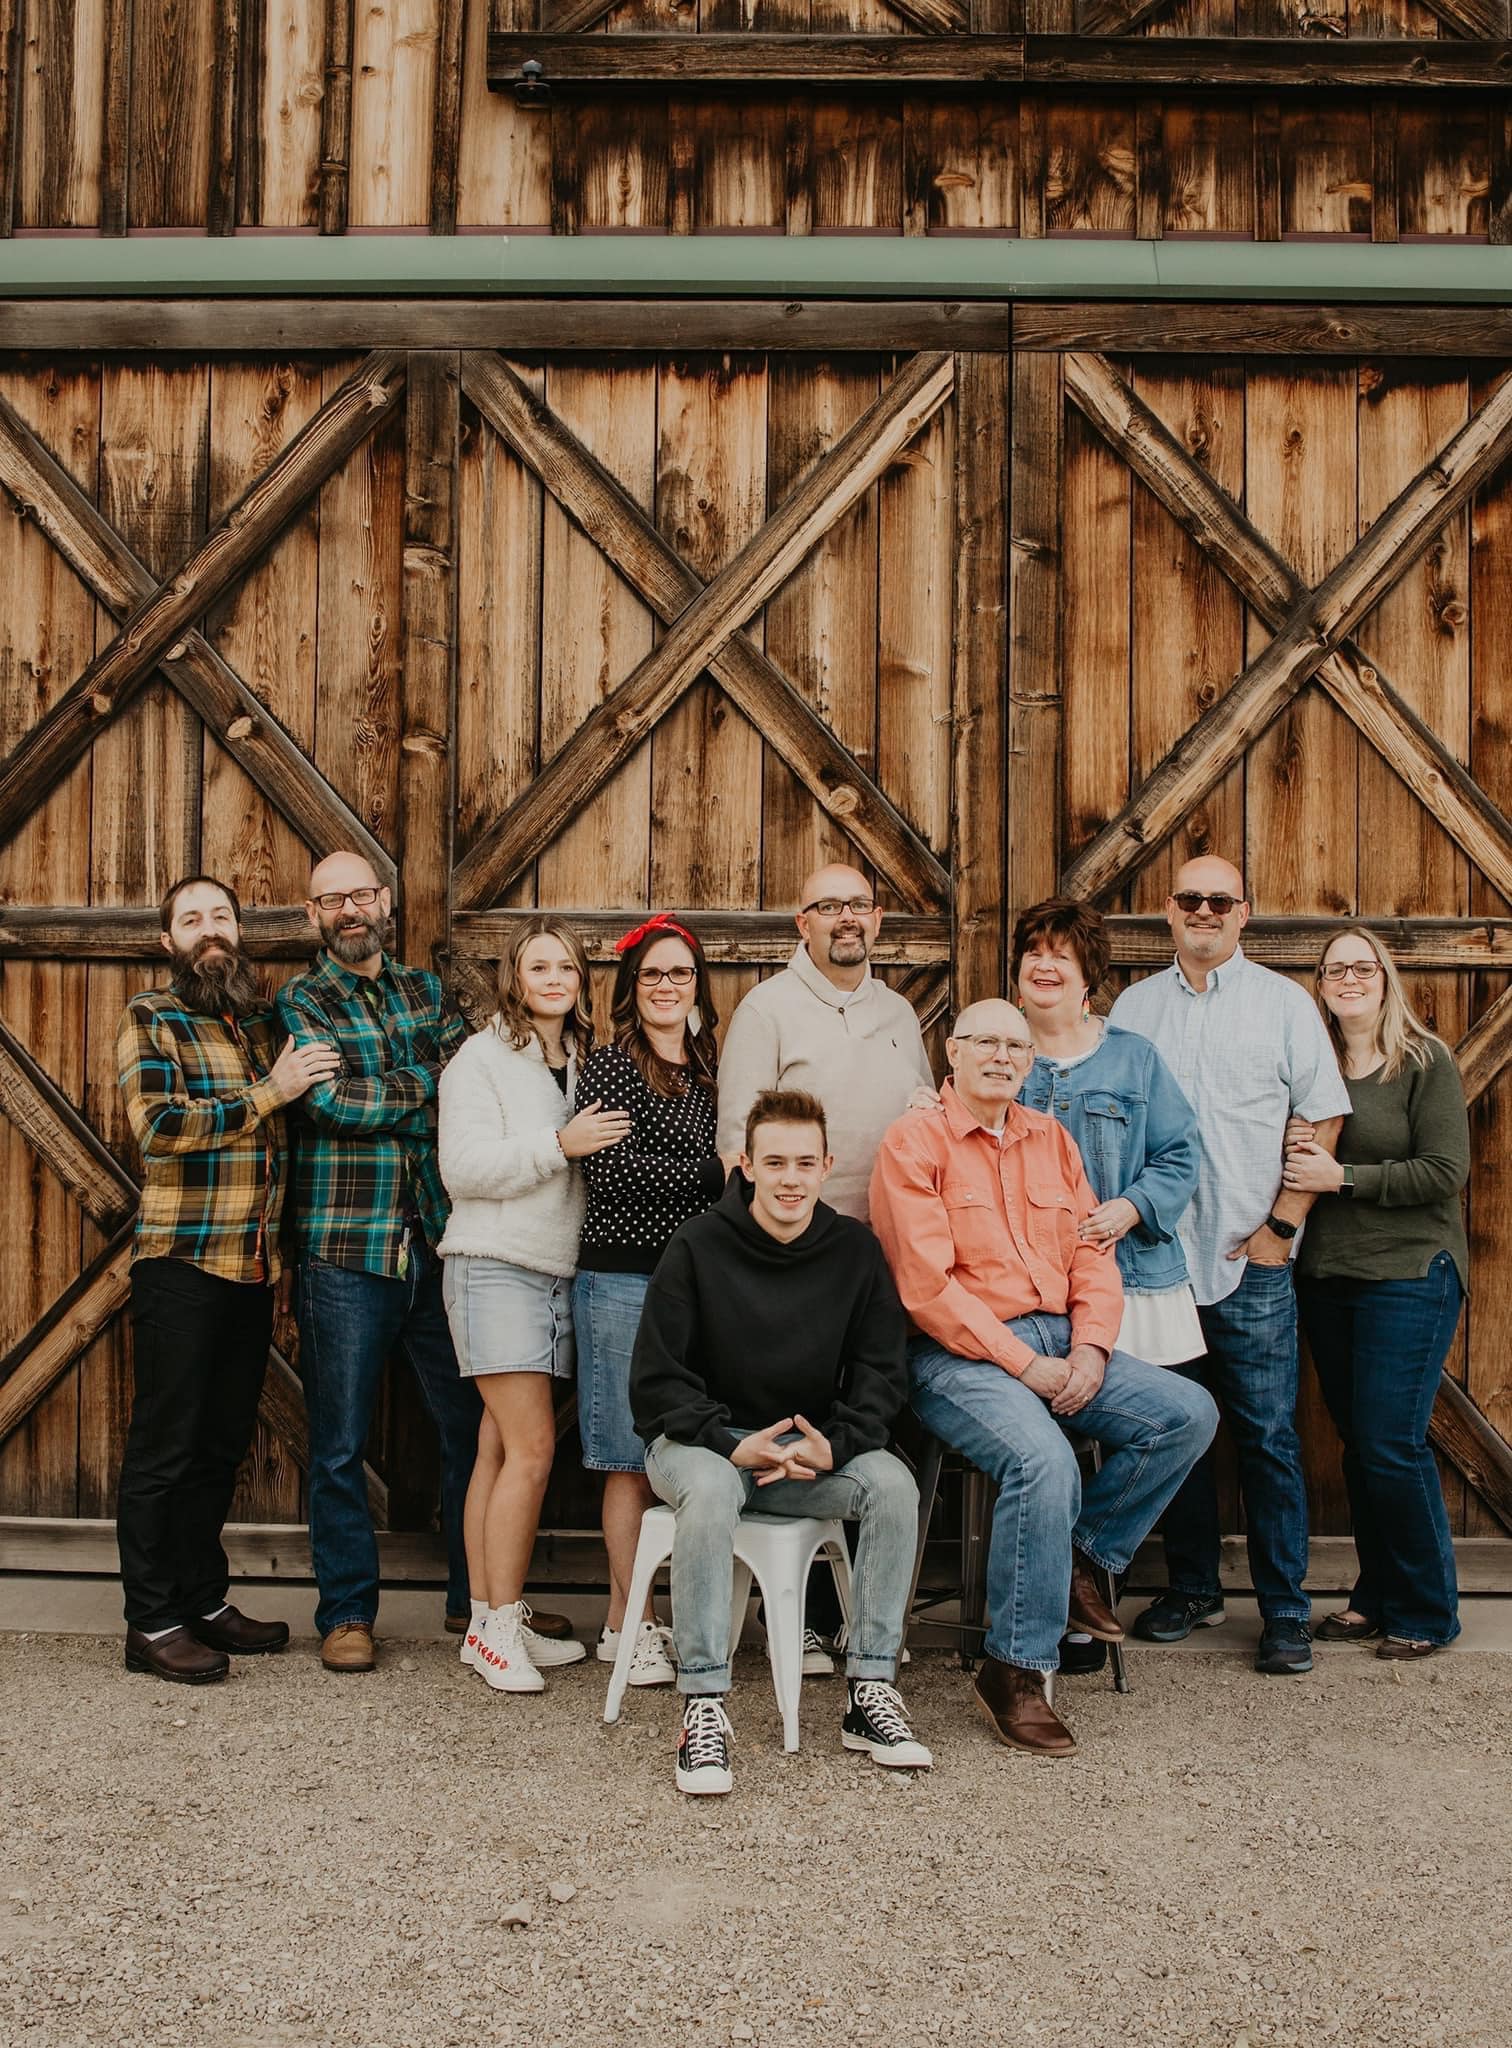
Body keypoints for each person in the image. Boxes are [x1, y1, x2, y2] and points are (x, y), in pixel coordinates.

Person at [870, 1000, 1216, 1756]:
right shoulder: (914, 1141)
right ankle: (1016, 1669)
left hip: (1060, 1338)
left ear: (1030, 1062)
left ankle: (1080, 1558)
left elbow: (1093, 1254)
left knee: (1187, 1413)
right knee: (1043, 1460)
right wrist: (1026, 1365)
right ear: (953, 1052)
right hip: (956, 1355)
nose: (1002, 1056)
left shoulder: (1051, 1139)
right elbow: (927, 1289)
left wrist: (1091, 1349)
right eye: (986, 1041)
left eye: (1016, 1046)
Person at [632, 1089, 929, 1794]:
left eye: (804, 1163)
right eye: (774, 1163)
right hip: (703, 1447)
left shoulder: (854, 1251)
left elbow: (883, 1373)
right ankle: (703, 1707)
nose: (790, 1178)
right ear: (747, 1165)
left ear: (827, 1165)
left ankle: (871, 1689)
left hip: (806, 1453)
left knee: (893, 1485)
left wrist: (837, 1444)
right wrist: (727, 1443)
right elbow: (657, 1380)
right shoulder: (697, 1244)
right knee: (710, 1491)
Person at [1109, 856, 1351, 1676]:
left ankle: (1284, 1611)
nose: (1205, 910)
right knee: (1178, 1431)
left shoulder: (1282, 1004)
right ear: (1169, 910)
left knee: (1269, 1438)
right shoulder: (1134, 1009)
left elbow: (1323, 1115)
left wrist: (1283, 1226)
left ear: (1244, 914)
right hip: (1158, 1264)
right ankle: (1192, 1589)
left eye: (1221, 900)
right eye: (1191, 899)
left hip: (1254, 1259)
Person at [115, 874, 341, 1684]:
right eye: (192, 919)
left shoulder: (255, 1024)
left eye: (221, 916)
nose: (209, 929)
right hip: (181, 1265)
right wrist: (272, 1091)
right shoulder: (152, 1017)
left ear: (238, 933)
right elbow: (160, 1128)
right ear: (168, 941)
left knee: (218, 1448)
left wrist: (279, 1263)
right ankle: (151, 1621)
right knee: (165, 1448)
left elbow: (277, 1159)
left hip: (250, 1272)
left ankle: (202, 1600)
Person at [715, 860, 935, 1671]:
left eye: (859, 905)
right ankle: (800, 1614)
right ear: (800, 923)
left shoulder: (899, 1012)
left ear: (876, 921)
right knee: (797, 1417)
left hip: (883, 1259)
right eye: (828, 905)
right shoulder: (767, 1009)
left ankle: (859, 1616)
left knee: (868, 1423)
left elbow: (923, 1123)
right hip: (797, 1256)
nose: (847, 917)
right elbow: (737, 1144)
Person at [277, 851, 483, 1674]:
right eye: (331, 900)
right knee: (338, 1443)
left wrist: (396, 1088)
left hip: (436, 1242)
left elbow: (470, 1087)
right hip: (345, 1250)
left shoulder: (425, 991)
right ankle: (347, 1615)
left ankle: (478, 1602)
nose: (349, 910)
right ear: (312, 915)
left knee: (474, 1429)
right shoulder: (301, 1001)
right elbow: (328, 1104)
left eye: (360, 894)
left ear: (387, 901)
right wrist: (426, 1082)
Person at [438, 917, 633, 1692]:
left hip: (556, 1271)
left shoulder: (583, 1059)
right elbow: (461, 1169)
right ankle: (495, 1632)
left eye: (566, 968)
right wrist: (559, 1146)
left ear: (582, 979)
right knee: (531, 1449)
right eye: (539, 967)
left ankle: (491, 1619)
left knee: (497, 1448)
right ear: (514, 977)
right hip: (494, 1265)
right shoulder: (481, 1058)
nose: (554, 980)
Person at [1013, 896, 1202, 1677]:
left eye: (1061, 954)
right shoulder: (996, 1053)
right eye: (1034, 952)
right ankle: (1046, 1609)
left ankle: (1081, 1573)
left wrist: (1133, 1206)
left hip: (1128, 1280)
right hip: (1026, 1296)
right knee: (1046, 1442)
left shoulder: (1133, 1059)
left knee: (1149, 1427)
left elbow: (1181, 1155)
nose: (1045, 965)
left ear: (1088, 974)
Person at [1282, 927, 1470, 1660]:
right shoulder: (1314, 1067)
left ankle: (1427, 1610)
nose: (1349, 979)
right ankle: (1376, 1595)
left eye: (1363, 967)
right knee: (1362, 1447)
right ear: (1321, 985)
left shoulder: (1424, 1061)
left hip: (1411, 1273)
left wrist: (1344, 1178)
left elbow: (1445, 1170)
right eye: (1335, 969)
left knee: (1392, 1443)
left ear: (1385, 979)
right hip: (1330, 1276)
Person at [573, 912, 725, 1686]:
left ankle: (645, 1619)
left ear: (698, 986)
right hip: (621, 1279)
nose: (667, 986)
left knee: (685, 1451)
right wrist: (713, 1176)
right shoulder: (609, 1068)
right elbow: (612, 1172)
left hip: (692, 1288)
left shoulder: (708, 1070)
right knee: (627, 1460)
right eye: (653, 974)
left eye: (681, 973)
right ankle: (628, 1625)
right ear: (632, 987)